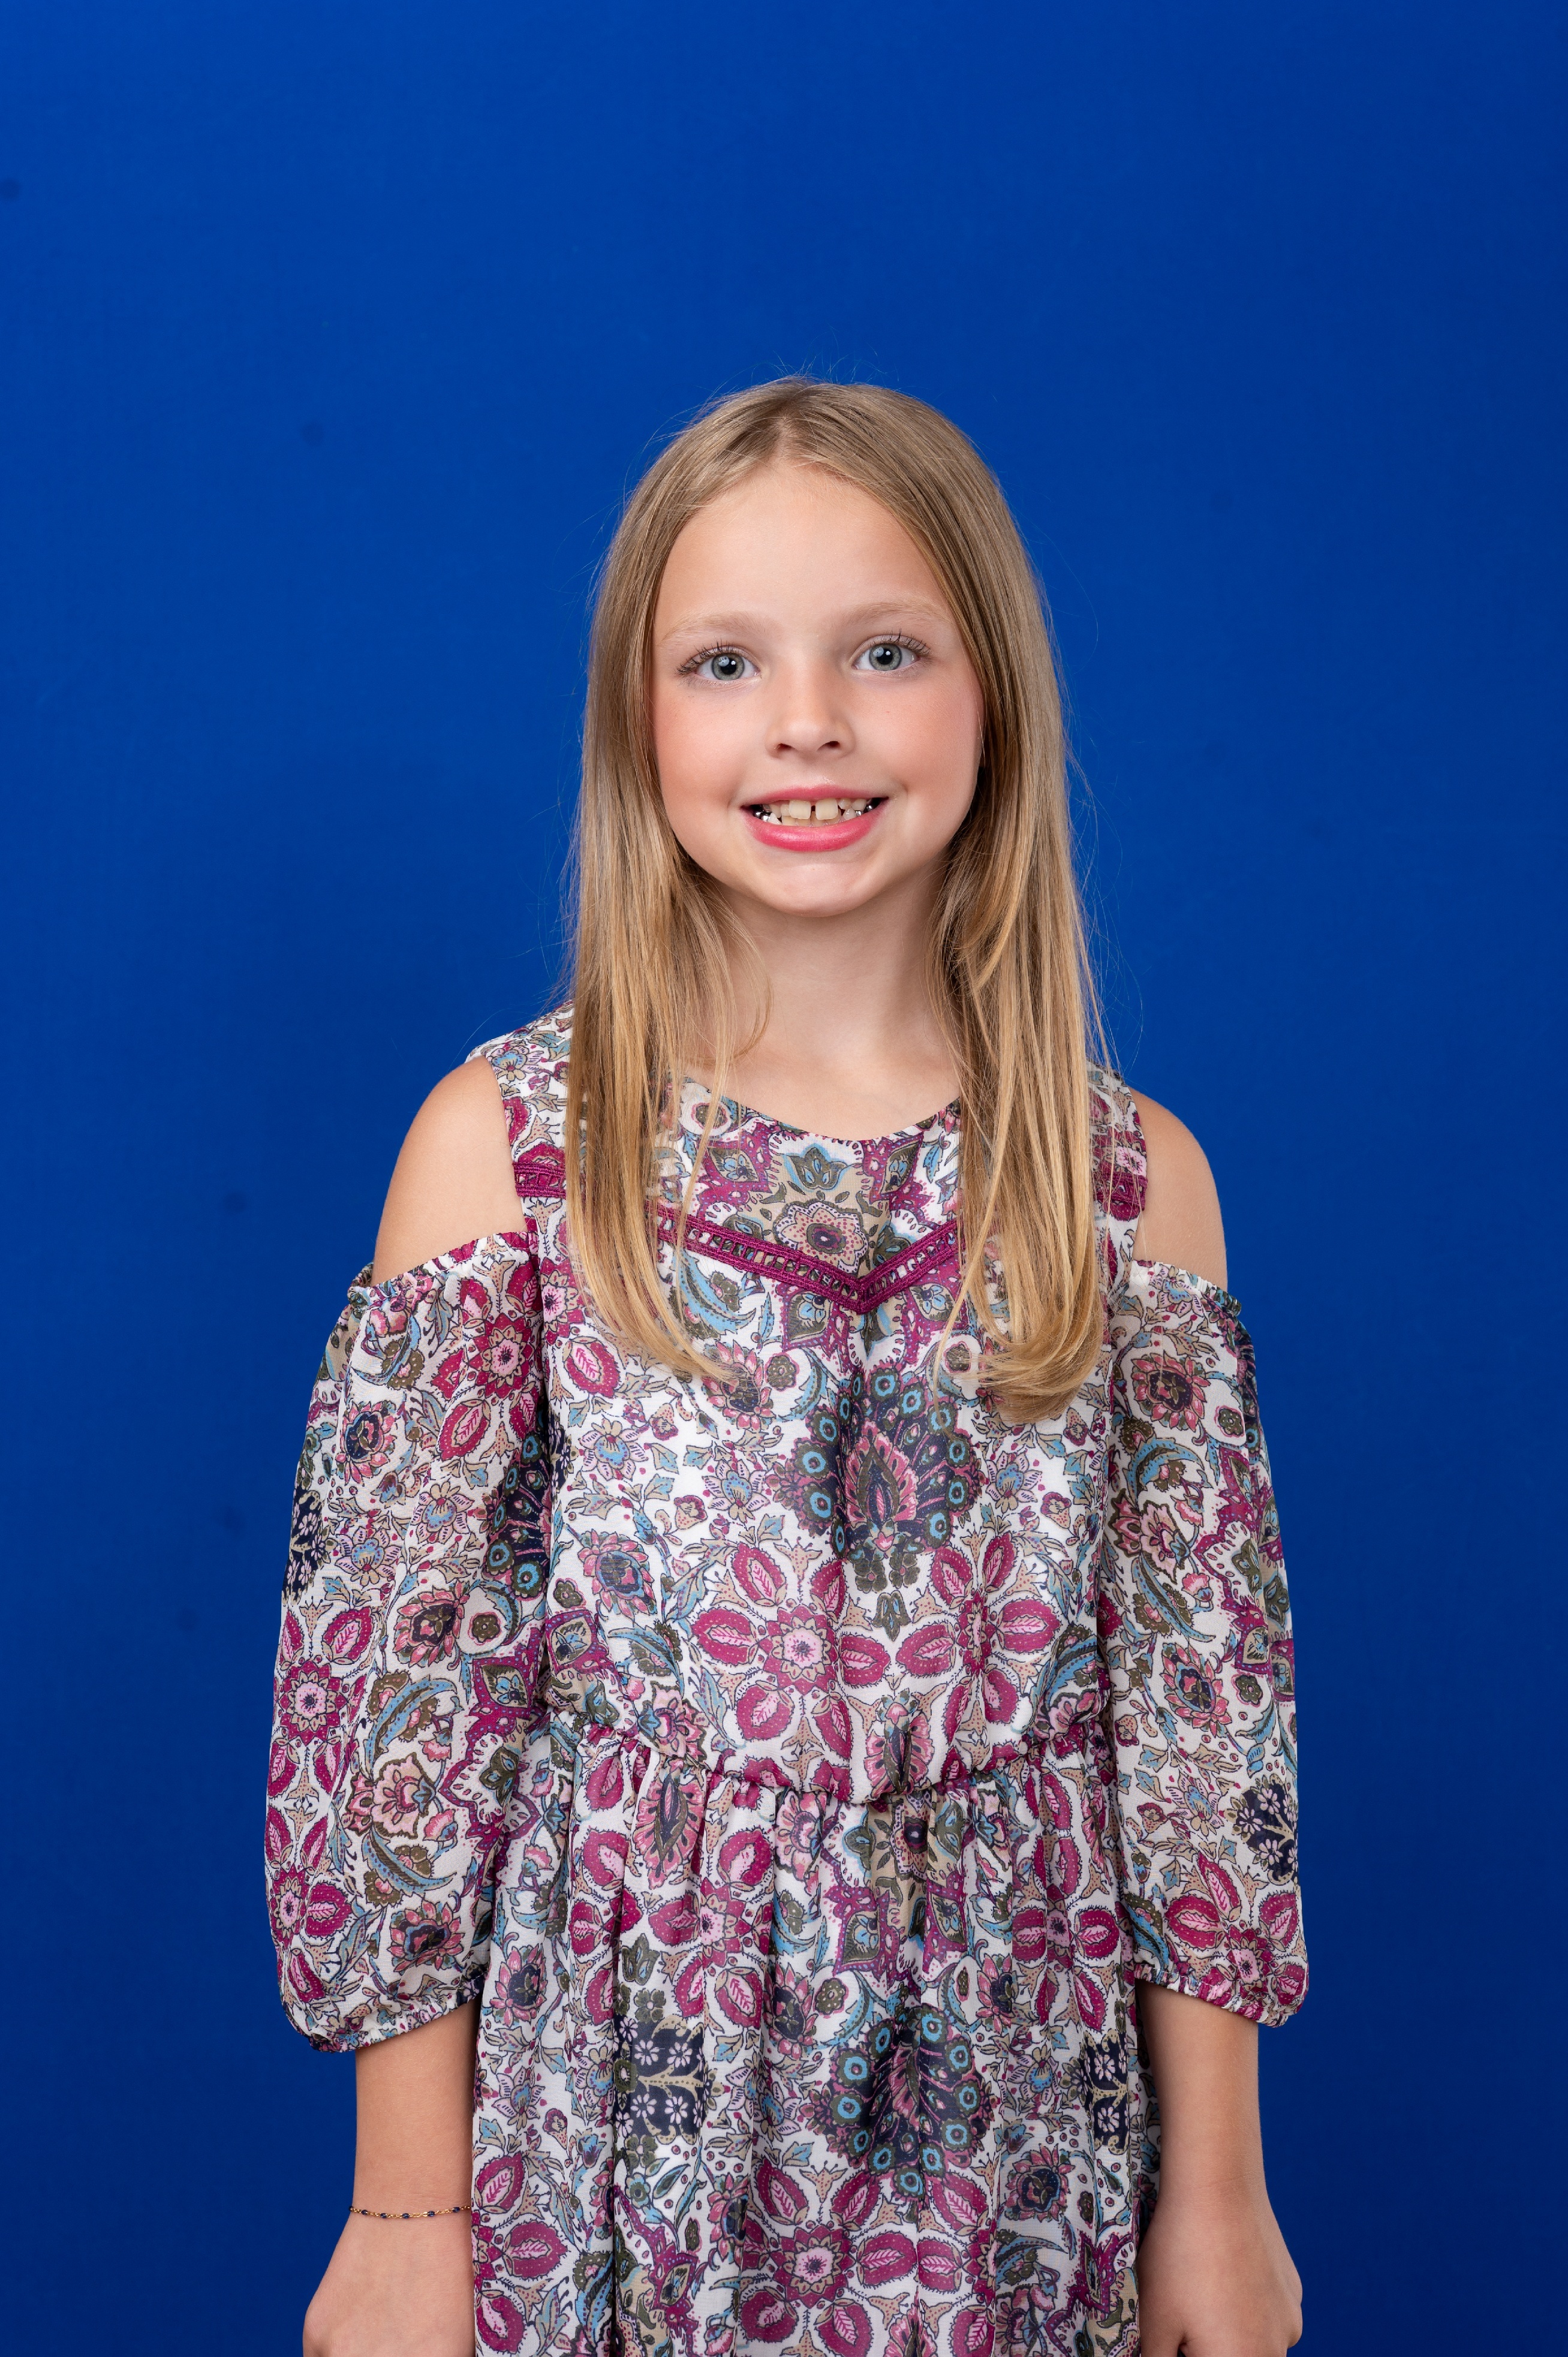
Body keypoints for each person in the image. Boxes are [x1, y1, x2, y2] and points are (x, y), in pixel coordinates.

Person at [268, 378, 1305, 2357]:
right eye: (726, 662)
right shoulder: (513, 1156)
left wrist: (1224, 2193)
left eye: (884, 652)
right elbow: (398, 1717)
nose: (806, 720)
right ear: (638, 721)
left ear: (993, 698)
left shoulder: (1127, 1187)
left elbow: (1202, 1746)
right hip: (615, 2134)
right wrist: (403, 2210)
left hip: (1023, 2150)